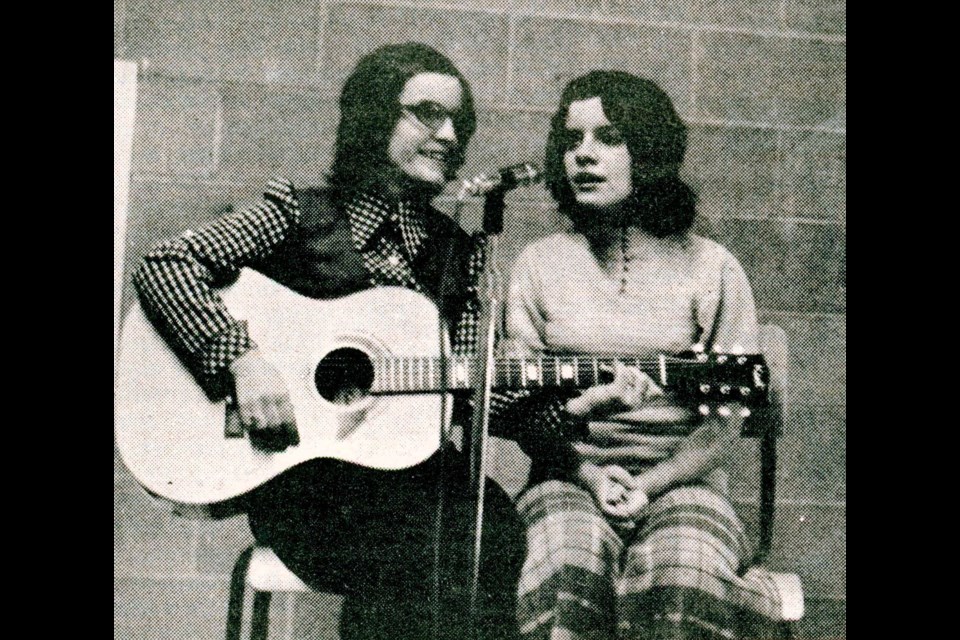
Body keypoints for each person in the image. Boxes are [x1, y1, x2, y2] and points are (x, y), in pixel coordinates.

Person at [131, 42, 567, 640]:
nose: (448, 134)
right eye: (427, 113)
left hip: (417, 481)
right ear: (373, 117)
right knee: (422, 538)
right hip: (309, 488)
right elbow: (166, 264)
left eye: (458, 122)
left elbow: (471, 387)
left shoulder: (457, 253)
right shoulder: (297, 214)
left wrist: (574, 406)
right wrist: (242, 361)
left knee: (488, 524)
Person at [505, 71, 789, 639]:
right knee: (565, 567)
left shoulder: (712, 267)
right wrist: (588, 475)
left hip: (686, 482)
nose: (583, 155)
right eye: (572, 140)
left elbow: (725, 422)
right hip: (567, 476)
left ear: (650, 150)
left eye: (608, 137)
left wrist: (651, 483)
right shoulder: (538, 264)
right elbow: (524, 410)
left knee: (684, 576)